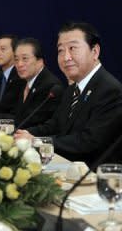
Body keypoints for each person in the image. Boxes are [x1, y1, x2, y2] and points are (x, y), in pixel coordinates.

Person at [15, 22, 122, 166]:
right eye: (60, 50)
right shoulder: (72, 89)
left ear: (95, 52)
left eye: (72, 48)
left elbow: (88, 142)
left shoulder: (110, 90)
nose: (66, 57)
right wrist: (21, 134)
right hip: (68, 169)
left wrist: (36, 141)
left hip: (96, 178)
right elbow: (54, 125)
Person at [0, 38, 63, 128]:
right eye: (16, 59)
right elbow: (17, 116)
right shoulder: (23, 82)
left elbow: (35, 123)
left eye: (25, 59)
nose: (19, 64)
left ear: (40, 62)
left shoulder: (50, 86)